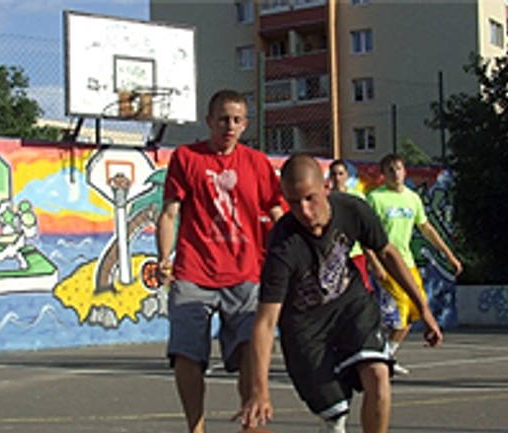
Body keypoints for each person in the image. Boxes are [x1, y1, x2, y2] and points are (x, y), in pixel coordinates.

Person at [236, 154, 442, 433]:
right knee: (335, 415)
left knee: (378, 376)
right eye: (294, 203)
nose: (305, 211)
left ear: (326, 188)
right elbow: (265, 321)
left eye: (310, 198)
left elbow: (389, 254)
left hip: (349, 306)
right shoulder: (283, 243)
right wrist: (259, 392)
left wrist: (424, 310)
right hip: (305, 325)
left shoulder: (353, 209)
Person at [156, 89, 284, 433]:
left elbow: (276, 212)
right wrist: (163, 258)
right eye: (223, 119)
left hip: (245, 272)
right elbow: (170, 213)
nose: (229, 125)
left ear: (245, 124)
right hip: (193, 271)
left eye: (237, 119)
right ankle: (195, 428)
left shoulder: (257, 163)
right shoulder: (186, 157)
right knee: (186, 354)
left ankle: (250, 421)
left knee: (249, 351)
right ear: (209, 121)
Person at [366, 154, 463, 375]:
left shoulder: (412, 198)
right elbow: (366, 236)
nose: (395, 173)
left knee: (413, 312)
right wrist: (374, 262)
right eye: (390, 169)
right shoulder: (376, 198)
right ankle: (379, 355)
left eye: (398, 168)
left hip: (407, 263)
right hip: (386, 264)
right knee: (398, 314)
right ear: (384, 174)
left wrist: (449, 255)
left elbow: (426, 228)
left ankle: (386, 355)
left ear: (404, 171)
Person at [328, 159, 375, 292]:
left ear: (347, 175)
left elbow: (365, 228)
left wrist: (372, 259)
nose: (337, 178)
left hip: (356, 253)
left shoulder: (357, 197)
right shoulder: (326, 198)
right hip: (335, 254)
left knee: (362, 288)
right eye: (334, 174)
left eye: (341, 174)